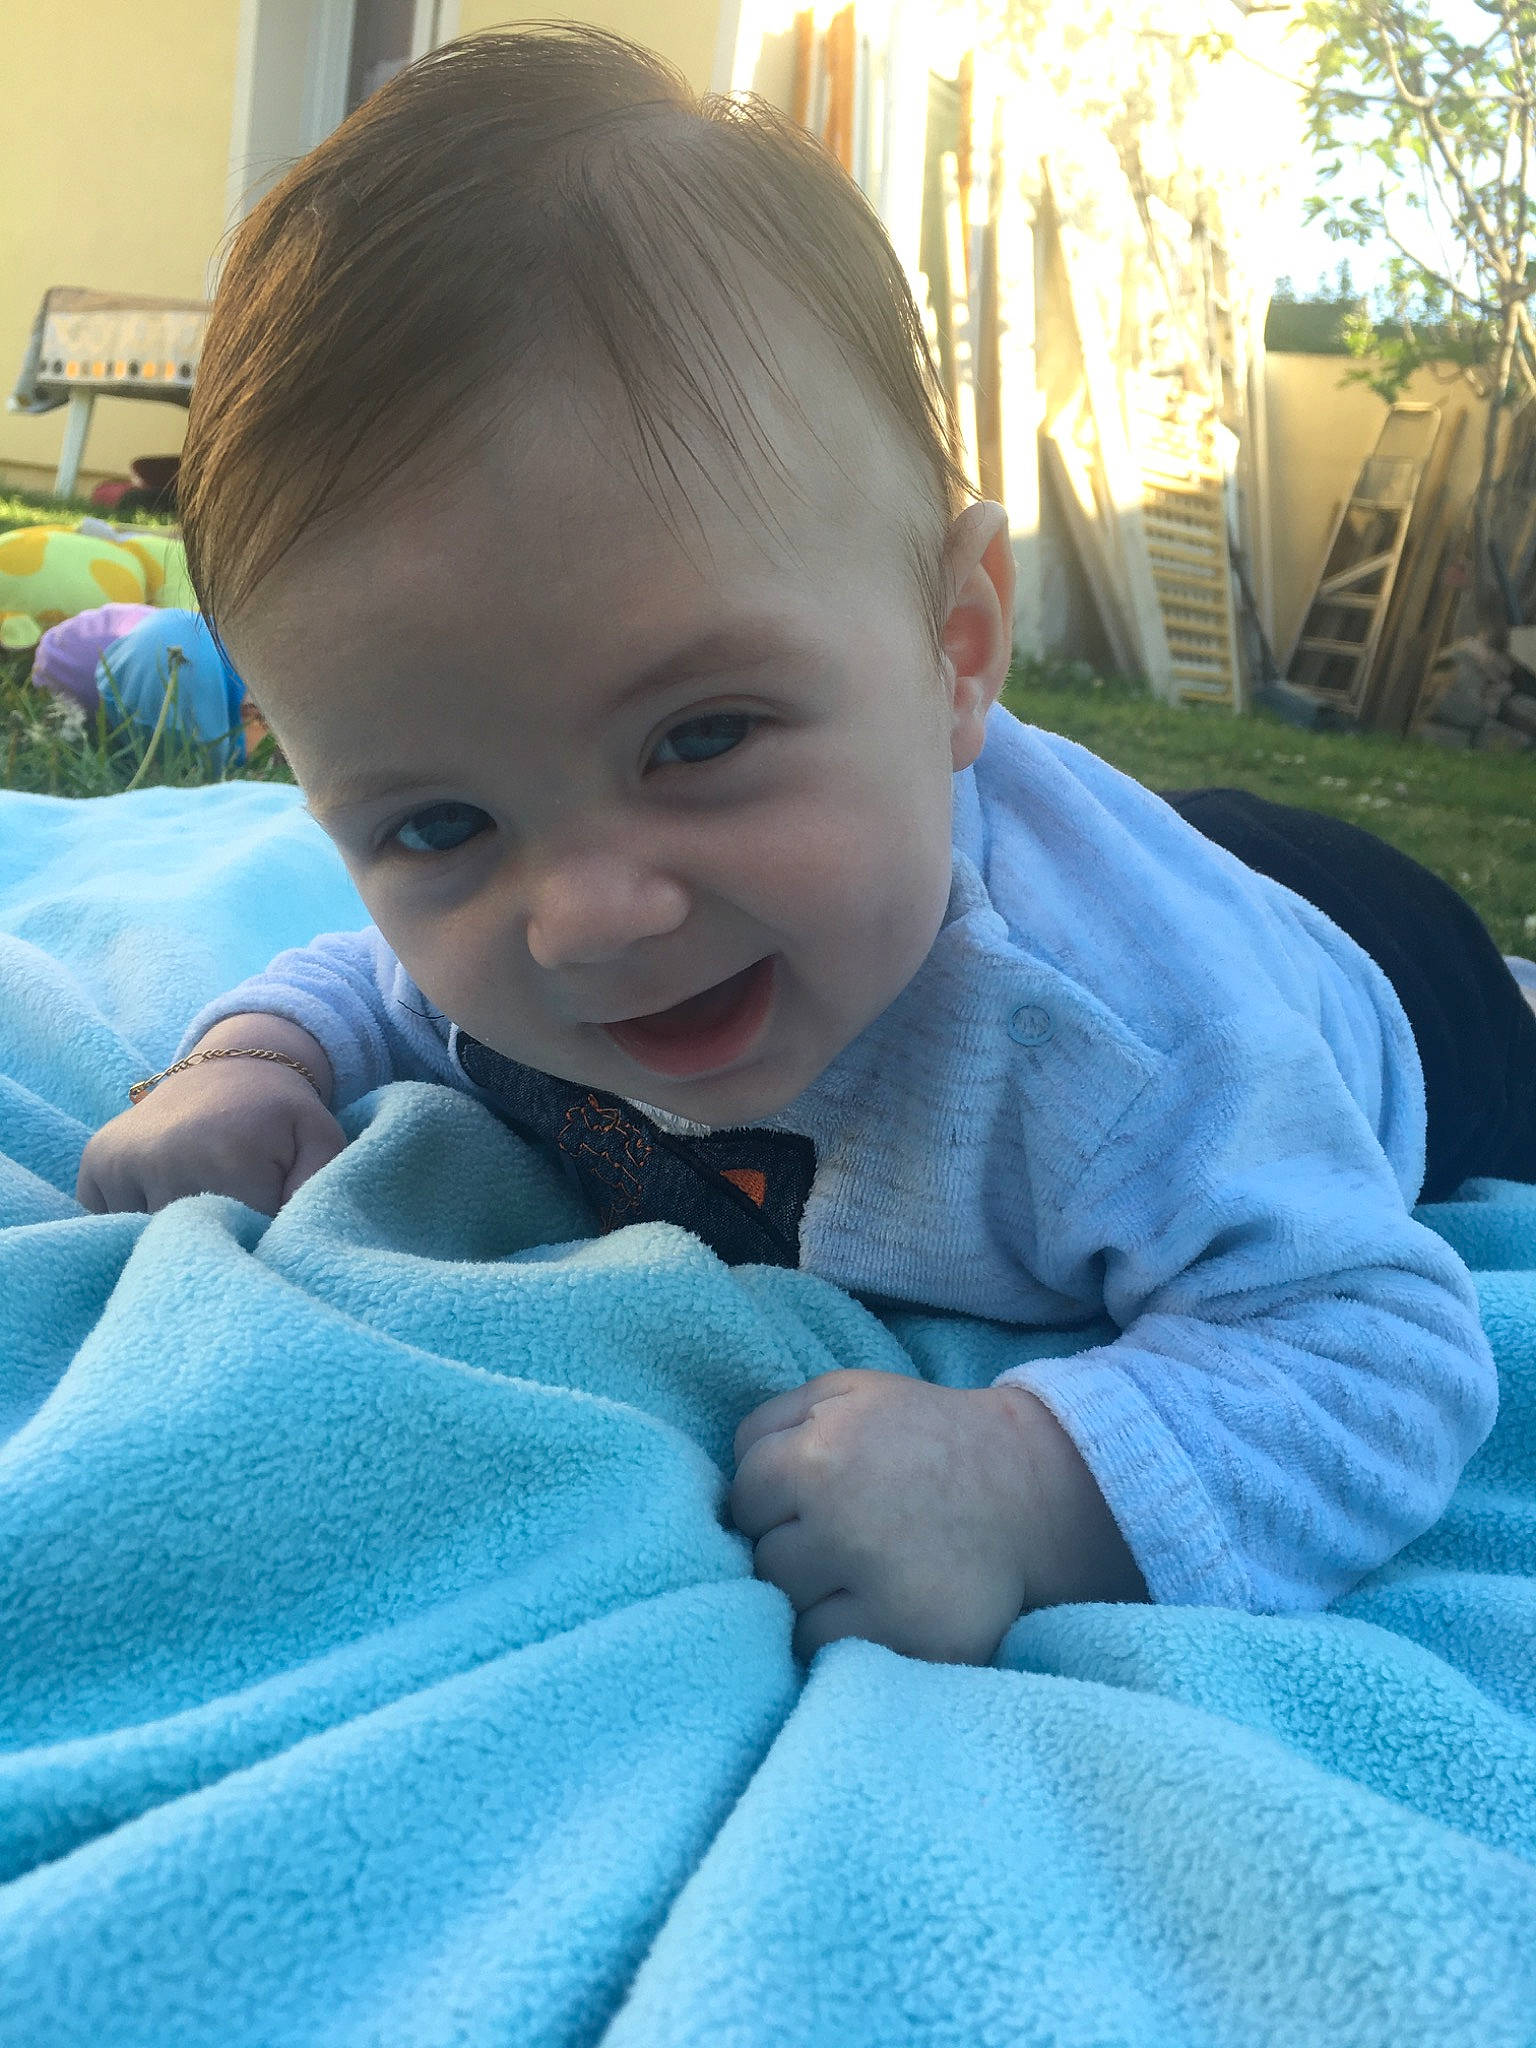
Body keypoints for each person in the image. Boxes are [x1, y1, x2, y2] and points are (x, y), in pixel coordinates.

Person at [75, 25, 1536, 1668]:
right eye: (438, 824)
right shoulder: (525, 940)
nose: (590, 919)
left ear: (956, 647)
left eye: (701, 738)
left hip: (1379, 963)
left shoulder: (1132, 1049)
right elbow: (369, 985)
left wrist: (1032, 1485)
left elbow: (1379, 1347)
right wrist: (244, 1064)